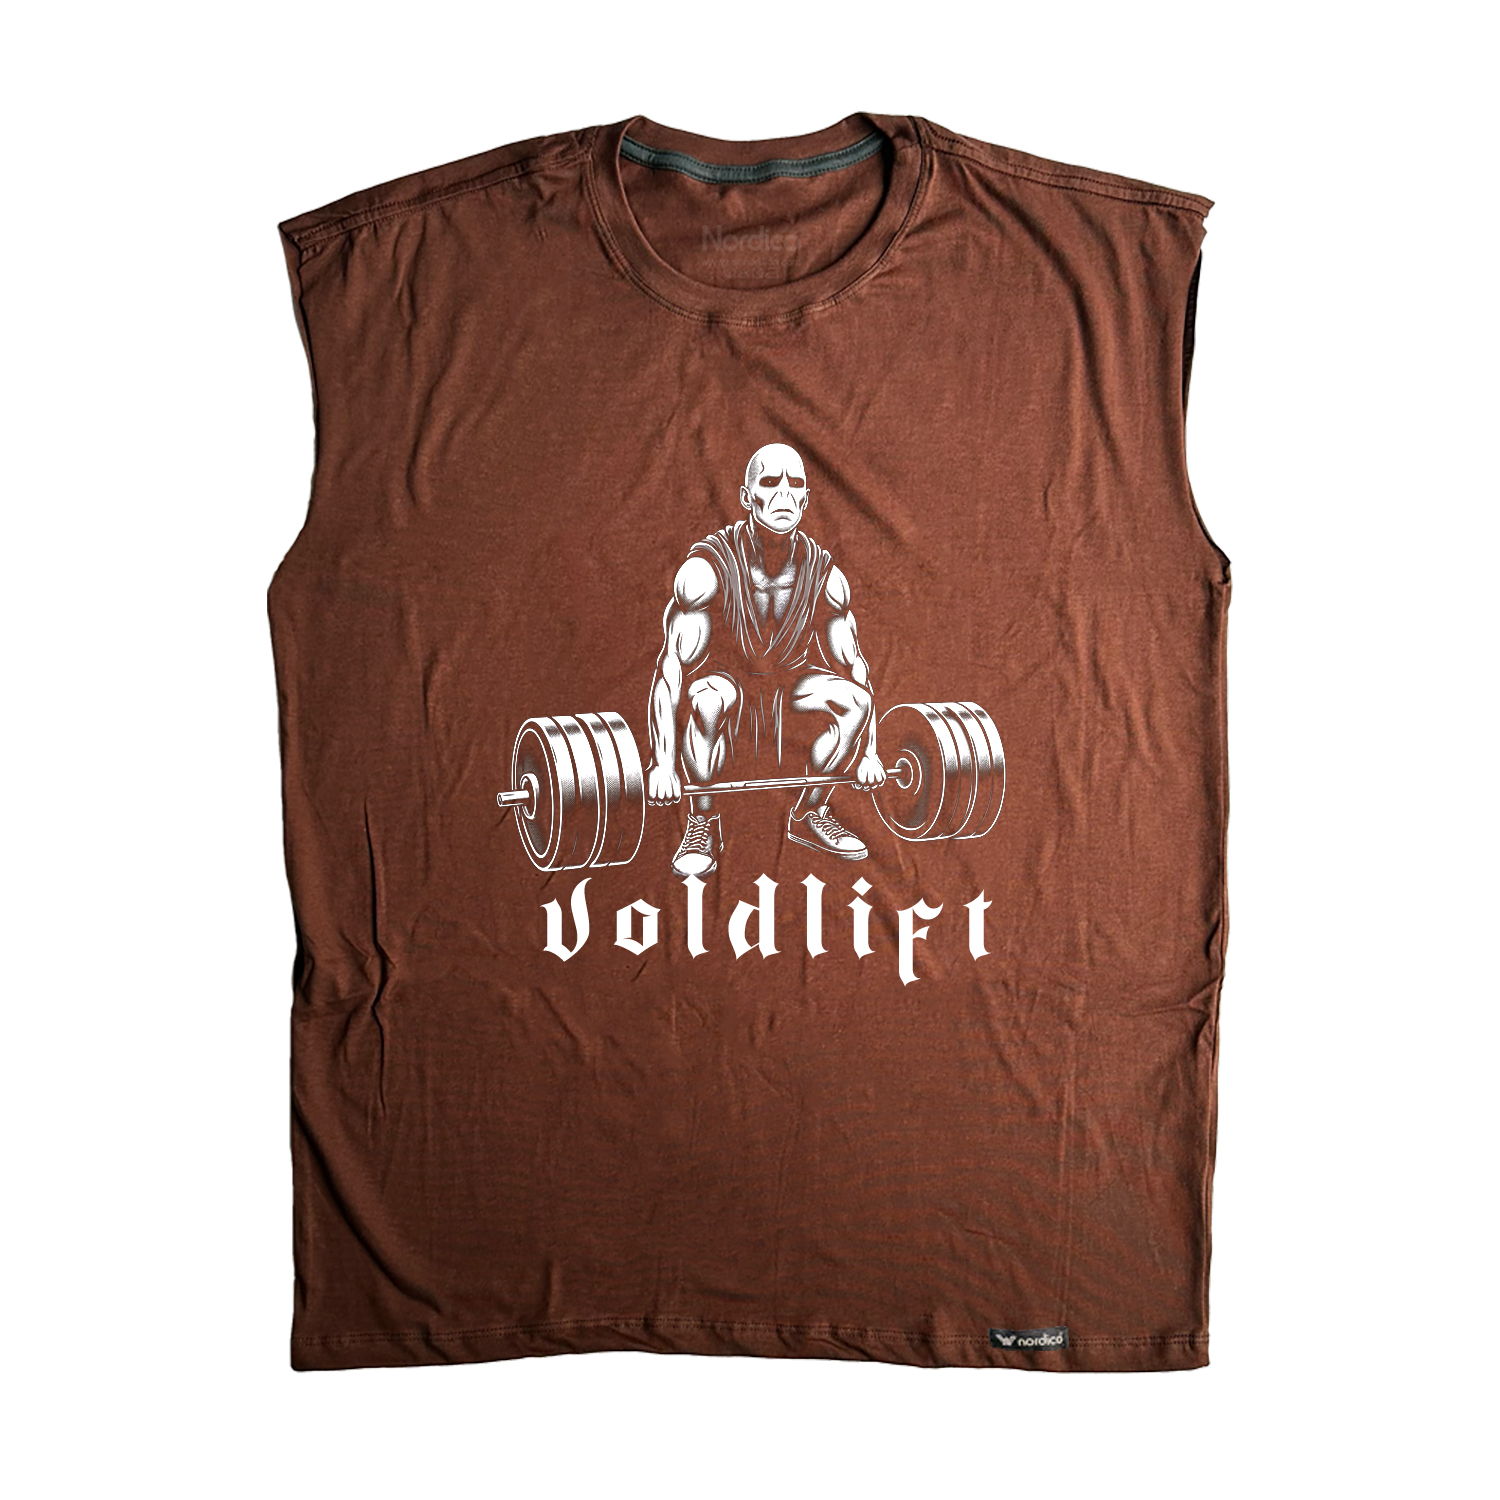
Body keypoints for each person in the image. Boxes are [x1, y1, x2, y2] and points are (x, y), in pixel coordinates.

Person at [646, 442, 885, 876]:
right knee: (706, 701)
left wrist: (870, 753)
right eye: (770, 482)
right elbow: (671, 669)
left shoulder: (825, 576)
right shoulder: (706, 572)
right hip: (727, 677)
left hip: (792, 681)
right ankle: (701, 821)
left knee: (857, 702)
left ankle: (809, 813)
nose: (783, 495)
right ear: (746, 496)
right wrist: (662, 764)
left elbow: (855, 666)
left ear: (806, 499)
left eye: (795, 485)